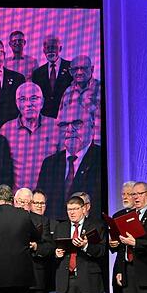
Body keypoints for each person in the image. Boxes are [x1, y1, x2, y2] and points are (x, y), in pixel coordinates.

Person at [36, 89, 101, 220]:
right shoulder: (49, 164)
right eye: (64, 125)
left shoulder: (102, 159)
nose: (70, 130)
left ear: (92, 127)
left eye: (77, 123)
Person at [0, 82, 60, 190]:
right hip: (17, 197)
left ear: (42, 102)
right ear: (17, 103)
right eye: (23, 99)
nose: (28, 104)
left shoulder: (56, 127)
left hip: (48, 195)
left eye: (33, 98)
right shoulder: (6, 129)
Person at [108, 181, 135, 293]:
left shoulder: (140, 216)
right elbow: (115, 248)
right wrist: (112, 243)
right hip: (120, 267)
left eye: (128, 194)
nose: (124, 197)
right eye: (123, 194)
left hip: (136, 269)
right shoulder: (117, 216)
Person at [31, 35, 72, 118]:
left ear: (60, 49)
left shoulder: (70, 67)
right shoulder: (37, 73)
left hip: (67, 115)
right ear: (44, 50)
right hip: (45, 118)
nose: (50, 50)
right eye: (47, 48)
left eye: (53, 47)